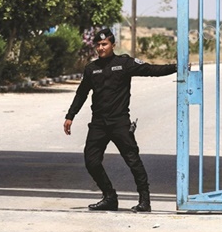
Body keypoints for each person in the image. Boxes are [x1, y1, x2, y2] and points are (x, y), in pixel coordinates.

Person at [63, 28, 177, 212]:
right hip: (99, 123)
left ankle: (144, 200)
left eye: (104, 44)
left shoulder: (124, 63)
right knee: (91, 161)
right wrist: (70, 116)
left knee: (132, 160)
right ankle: (109, 197)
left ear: (113, 45)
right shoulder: (91, 69)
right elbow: (81, 94)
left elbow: (150, 69)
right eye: (98, 45)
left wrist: (175, 67)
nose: (101, 48)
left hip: (119, 122)